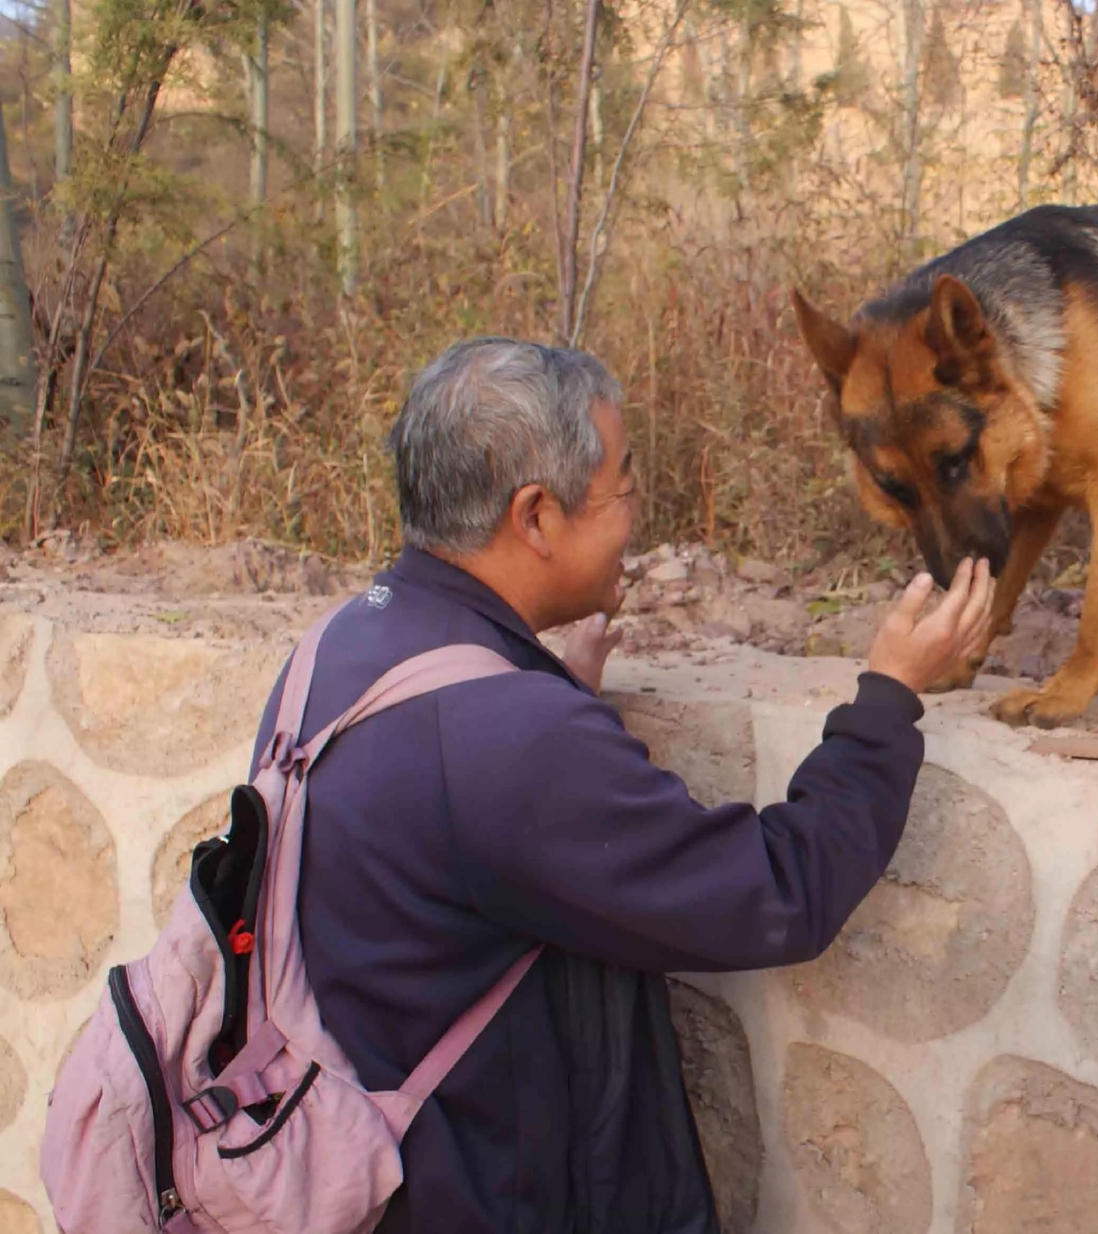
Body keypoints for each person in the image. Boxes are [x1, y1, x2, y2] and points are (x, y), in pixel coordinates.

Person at [253, 337, 994, 1233]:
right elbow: (775, 892)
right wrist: (890, 696)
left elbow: (459, 827)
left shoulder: (337, 646)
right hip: (486, 1194)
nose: (637, 521)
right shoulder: (509, 738)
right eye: (626, 487)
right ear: (535, 516)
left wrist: (542, 684)